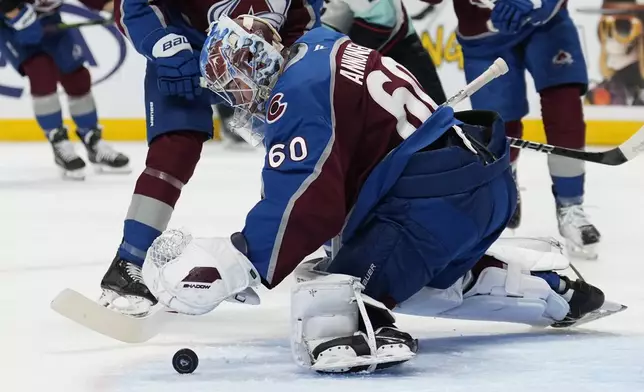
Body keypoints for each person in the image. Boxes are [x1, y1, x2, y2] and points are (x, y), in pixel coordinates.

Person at [139, 14, 607, 374]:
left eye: (235, 86)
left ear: (255, 65)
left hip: (433, 205)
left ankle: (368, 328)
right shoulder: (320, 43)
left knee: (327, 296)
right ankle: (553, 290)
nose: (237, 101)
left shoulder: (295, 98)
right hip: (478, 186)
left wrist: (237, 262)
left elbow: (303, 199)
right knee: (417, 275)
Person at [98, 0, 323, 316]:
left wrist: (291, 58)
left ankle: (335, 244)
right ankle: (129, 262)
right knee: (175, 148)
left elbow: (305, 16)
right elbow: (135, 5)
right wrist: (163, 43)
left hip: (260, 59)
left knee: (304, 146)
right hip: (188, 51)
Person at [422, 0, 601, 258]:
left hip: (547, 24)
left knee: (565, 110)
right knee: (499, 125)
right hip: (483, 32)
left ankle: (570, 205)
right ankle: (507, 182)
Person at [0, 0, 130, 179]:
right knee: (41, 74)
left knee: (77, 76)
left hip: (49, 21)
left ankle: (93, 140)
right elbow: (10, 10)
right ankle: (59, 143)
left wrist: (117, 8)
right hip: (11, 26)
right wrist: (19, 17)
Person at [321, 0, 447, 104]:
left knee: (436, 124)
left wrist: (342, 57)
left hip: (397, 54)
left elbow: (383, 19)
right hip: (342, 68)